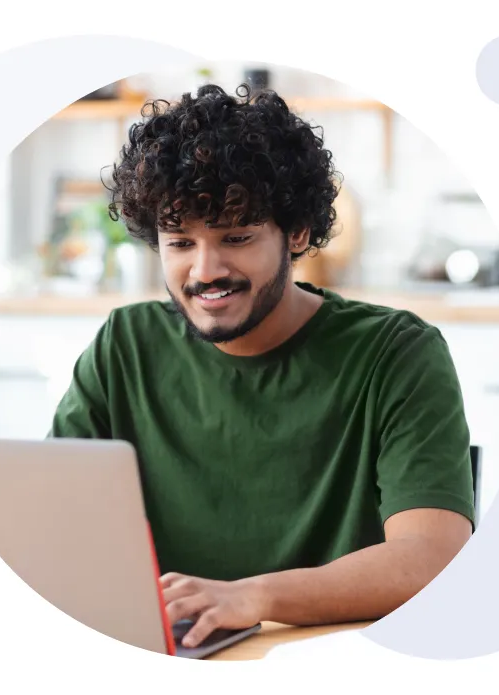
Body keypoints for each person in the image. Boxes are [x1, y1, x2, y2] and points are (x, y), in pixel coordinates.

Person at [49, 83, 474, 649]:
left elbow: (432, 558)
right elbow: (51, 522)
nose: (205, 271)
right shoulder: (124, 346)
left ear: (296, 233)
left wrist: (254, 597)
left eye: (237, 237)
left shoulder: (397, 354)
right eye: (180, 243)